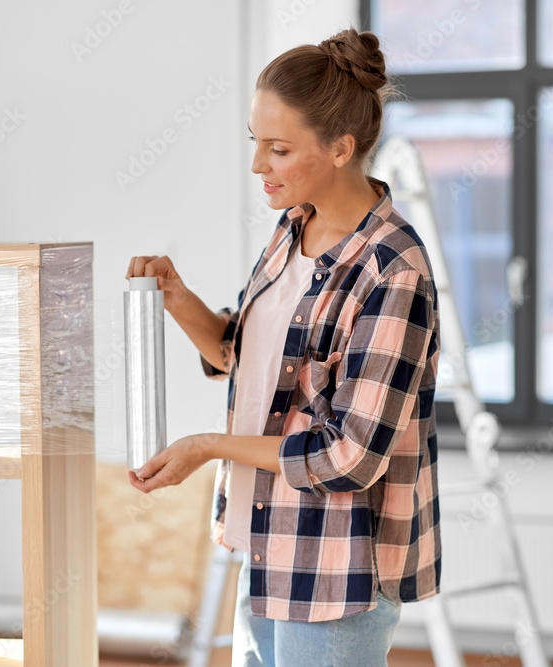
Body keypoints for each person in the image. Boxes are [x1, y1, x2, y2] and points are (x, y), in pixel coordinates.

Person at [126, 25, 441, 667]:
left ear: (339, 149)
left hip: (336, 565)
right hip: (267, 542)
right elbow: (242, 360)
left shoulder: (393, 270)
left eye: (277, 148)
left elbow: (350, 457)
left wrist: (205, 447)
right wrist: (176, 296)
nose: (256, 166)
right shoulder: (291, 230)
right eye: (255, 143)